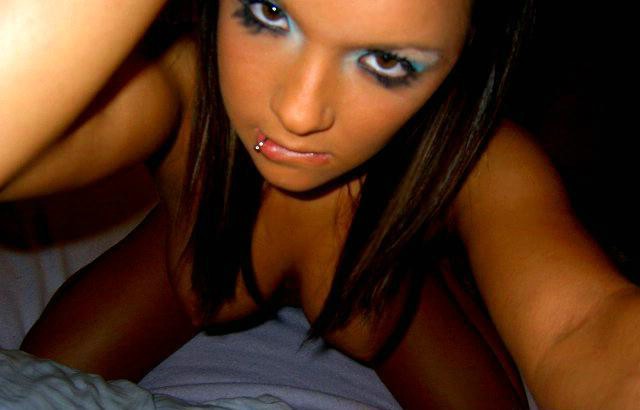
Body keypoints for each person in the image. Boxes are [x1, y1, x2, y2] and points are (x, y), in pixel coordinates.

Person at [1, 0, 638, 408]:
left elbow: (582, 327)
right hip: (211, 241)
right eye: (269, 13)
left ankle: (420, 255)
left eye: (386, 60)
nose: (299, 113)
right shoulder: (180, 87)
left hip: (377, 270)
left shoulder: (474, 157)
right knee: (27, 379)